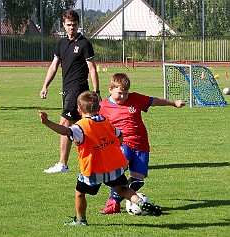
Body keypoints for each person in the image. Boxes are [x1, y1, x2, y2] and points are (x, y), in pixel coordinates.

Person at [38, 91, 162, 226]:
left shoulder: (80, 127)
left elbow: (65, 131)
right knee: (123, 189)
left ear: (79, 110)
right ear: (98, 108)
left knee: (79, 193)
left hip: (93, 169)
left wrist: (47, 122)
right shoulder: (106, 122)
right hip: (113, 167)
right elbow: (120, 136)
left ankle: (81, 220)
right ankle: (140, 202)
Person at [99, 73, 185, 214]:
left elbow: (154, 101)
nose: (123, 97)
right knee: (119, 173)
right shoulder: (103, 106)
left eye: (125, 93)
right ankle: (112, 203)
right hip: (121, 144)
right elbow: (94, 123)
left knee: (138, 181)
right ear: (110, 89)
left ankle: (115, 200)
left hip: (141, 144)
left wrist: (173, 103)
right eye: (119, 93)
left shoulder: (135, 99)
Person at [40, 9, 100, 174]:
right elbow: (54, 66)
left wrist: (96, 90)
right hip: (67, 91)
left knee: (64, 125)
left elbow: (92, 68)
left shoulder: (84, 44)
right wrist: (45, 85)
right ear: (64, 25)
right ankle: (99, 158)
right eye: (68, 25)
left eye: (74, 24)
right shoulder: (61, 44)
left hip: (78, 90)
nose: (71, 27)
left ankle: (62, 164)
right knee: (86, 126)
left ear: (78, 24)